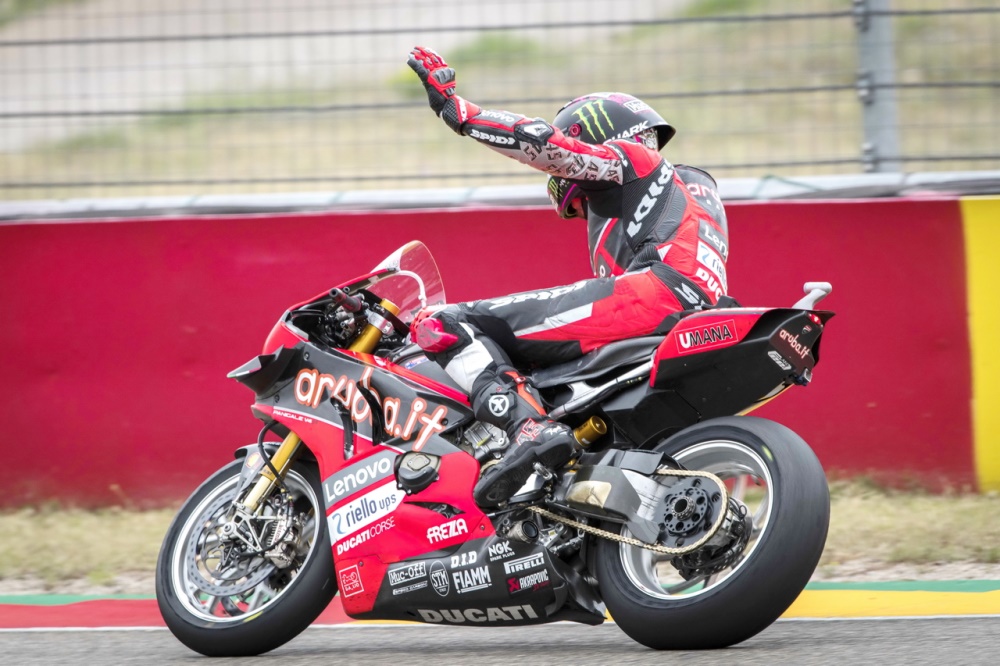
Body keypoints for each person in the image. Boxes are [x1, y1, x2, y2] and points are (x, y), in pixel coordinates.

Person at [406, 46, 731, 508]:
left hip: (654, 296)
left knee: (443, 322)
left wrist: (461, 113)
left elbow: (547, 146)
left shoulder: (636, 162)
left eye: (579, 203)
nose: (582, 211)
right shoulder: (691, 191)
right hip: (694, 311)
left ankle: (526, 426)